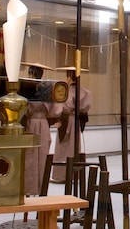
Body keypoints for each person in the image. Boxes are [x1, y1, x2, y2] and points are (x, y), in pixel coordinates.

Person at [21, 62, 60, 194]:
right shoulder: (47, 88)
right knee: (40, 155)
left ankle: (29, 187)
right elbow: (54, 111)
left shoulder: (26, 87)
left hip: (31, 122)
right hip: (43, 123)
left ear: (31, 74)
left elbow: (23, 108)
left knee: (30, 155)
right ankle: (40, 187)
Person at [50, 66, 92, 183]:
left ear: (69, 77)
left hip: (66, 119)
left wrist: (56, 117)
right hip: (76, 121)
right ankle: (74, 175)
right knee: (74, 147)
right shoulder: (85, 92)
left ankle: (60, 176)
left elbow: (60, 107)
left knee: (62, 147)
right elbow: (85, 107)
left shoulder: (65, 91)